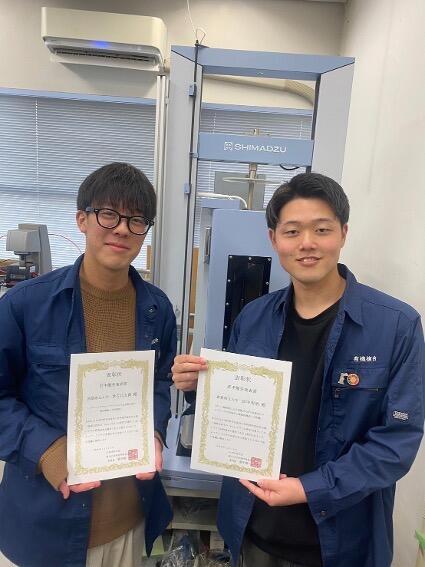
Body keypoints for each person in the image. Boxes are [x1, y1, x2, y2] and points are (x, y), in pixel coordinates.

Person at [172, 172, 425, 567]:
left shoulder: (396, 325)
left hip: (342, 544)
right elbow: (232, 411)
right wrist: (197, 386)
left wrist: (309, 489)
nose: (307, 243)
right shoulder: (253, 318)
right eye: (292, 231)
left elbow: (397, 443)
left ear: (343, 233)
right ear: (274, 239)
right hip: (254, 532)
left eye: (321, 229)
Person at [0, 162, 176, 567]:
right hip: (43, 530)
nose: (122, 229)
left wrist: (153, 432)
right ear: (82, 219)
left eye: (136, 220)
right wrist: (46, 450)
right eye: (108, 214)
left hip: (128, 526)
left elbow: (159, 384)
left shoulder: (157, 310)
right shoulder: (26, 305)